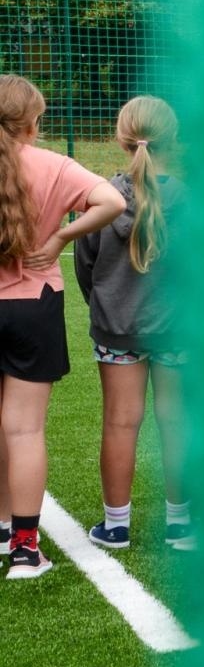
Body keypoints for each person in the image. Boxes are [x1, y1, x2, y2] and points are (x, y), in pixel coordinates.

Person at [0, 75, 125, 578]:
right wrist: (60, 238)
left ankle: (4, 530)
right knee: (24, 429)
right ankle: (25, 550)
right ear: (33, 122)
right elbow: (112, 203)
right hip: (34, 306)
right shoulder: (52, 164)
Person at [74, 96, 193, 552]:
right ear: (173, 138)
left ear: (122, 138)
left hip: (116, 327)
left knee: (120, 423)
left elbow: (87, 267)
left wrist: (106, 305)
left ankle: (116, 526)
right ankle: (180, 524)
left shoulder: (100, 199)